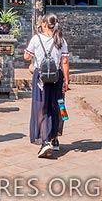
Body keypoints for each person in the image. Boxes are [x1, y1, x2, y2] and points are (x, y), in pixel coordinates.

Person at [24, 13, 70, 159]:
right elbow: (65, 62)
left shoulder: (36, 39)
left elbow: (27, 57)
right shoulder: (61, 40)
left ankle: (45, 141)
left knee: (41, 108)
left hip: (41, 78)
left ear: (44, 24)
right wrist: (66, 81)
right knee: (59, 106)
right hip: (57, 77)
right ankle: (55, 136)